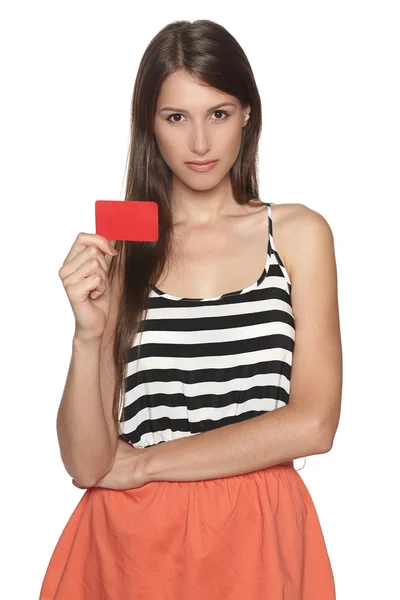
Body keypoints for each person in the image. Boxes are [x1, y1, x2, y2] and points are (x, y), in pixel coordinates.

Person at [39, 19, 342, 599]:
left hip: (258, 533)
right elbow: (87, 463)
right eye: (176, 117)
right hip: (132, 544)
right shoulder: (123, 245)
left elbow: (314, 423)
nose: (200, 144)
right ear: (149, 124)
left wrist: (149, 463)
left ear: (248, 113)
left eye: (219, 114)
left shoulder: (298, 232)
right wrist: (87, 334)